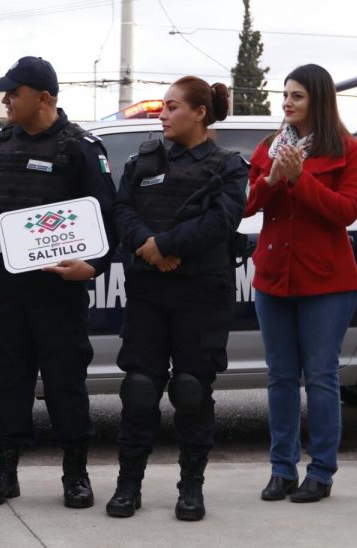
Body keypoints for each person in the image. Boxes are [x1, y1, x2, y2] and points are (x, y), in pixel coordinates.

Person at [0, 56, 117, 509]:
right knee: (11, 382)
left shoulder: (80, 148)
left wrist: (92, 266)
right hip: (10, 288)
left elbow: (108, 220)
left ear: (45, 98)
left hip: (61, 293)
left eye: (13, 93)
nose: (5, 100)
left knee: (65, 385)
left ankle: (75, 474)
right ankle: (5, 472)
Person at [109, 76, 248, 521]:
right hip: (149, 289)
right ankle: (128, 484)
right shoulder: (143, 160)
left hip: (203, 291)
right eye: (163, 107)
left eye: (172, 107)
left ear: (199, 112)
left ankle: (192, 487)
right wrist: (147, 243)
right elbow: (121, 210)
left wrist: (164, 246)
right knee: (139, 389)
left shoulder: (229, 165)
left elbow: (222, 222)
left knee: (191, 389)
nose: (163, 115)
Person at [243, 64, 357, 504]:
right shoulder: (269, 147)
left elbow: (346, 211)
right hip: (274, 278)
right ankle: (281, 470)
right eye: (285, 95)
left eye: (297, 95)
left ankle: (321, 472)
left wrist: (301, 178)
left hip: (328, 281)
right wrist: (272, 178)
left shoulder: (346, 150)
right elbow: (248, 205)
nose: (287, 102)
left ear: (319, 99)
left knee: (321, 376)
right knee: (279, 377)